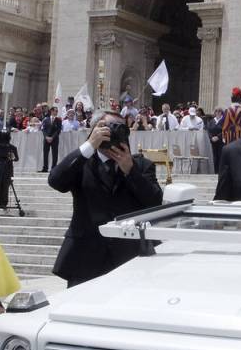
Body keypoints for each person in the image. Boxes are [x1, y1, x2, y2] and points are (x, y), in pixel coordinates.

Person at [49, 110, 164, 287]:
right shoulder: (82, 163)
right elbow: (56, 181)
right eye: (109, 128)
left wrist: (130, 171)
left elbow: (155, 202)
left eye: (121, 128)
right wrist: (89, 145)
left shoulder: (141, 165)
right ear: (95, 130)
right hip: (86, 258)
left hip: (130, 257)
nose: (114, 133)